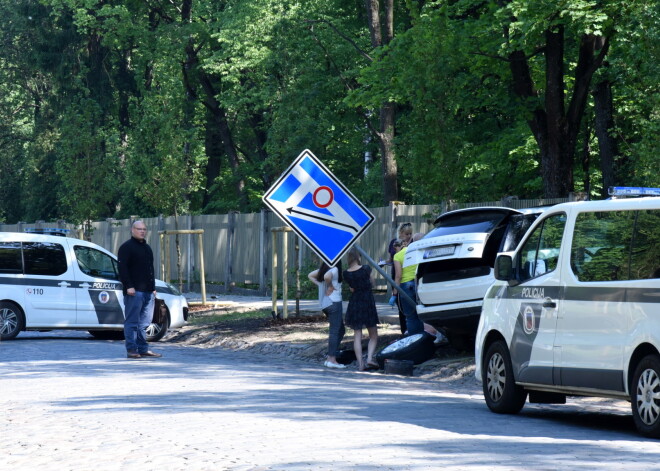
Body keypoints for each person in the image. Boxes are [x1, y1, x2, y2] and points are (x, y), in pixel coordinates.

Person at [117, 220, 162, 359]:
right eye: (139, 229)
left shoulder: (147, 248)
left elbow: (150, 269)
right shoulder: (126, 247)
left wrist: (153, 288)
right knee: (132, 322)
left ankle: (143, 348)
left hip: (148, 292)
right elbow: (122, 269)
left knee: (144, 323)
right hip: (134, 292)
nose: (142, 231)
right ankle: (131, 349)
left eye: (144, 229)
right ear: (132, 230)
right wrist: (128, 286)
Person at [393, 233, 448, 344]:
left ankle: (415, 343)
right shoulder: (416, 252)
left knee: (410, 317)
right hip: (418, 283)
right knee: (423, 313)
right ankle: (433, 336)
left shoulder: (397, 256)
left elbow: (398, 275)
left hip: (406, 286)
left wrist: (394, 293)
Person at [343, 247, 379, 371]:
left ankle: (360, 364)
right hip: (367, 301)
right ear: (359, 257)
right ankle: (369, 358)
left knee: (357, 334)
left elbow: (352, 288)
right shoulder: (366, 269)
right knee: (373, 334)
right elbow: (372, 283)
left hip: (354, 302)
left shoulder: (346, 273)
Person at [307, 261, 345, 369]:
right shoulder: (335, 269)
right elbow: (327, 277)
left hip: (326, 304)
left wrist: (321, 284)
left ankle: (330, 356)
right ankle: (332, 359)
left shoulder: (325, 269)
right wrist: (330, 286)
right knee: (335, 331)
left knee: (341, 330)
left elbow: (310, 275)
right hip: (334, 303)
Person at [386, 223, 413, 333]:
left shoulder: (412, 243)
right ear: (400, 233)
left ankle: (411, 330)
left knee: (409, 306)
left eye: (410, 233)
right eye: (407, 233)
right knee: (400, 305)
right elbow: (390, 259)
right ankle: (404, 330)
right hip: (396, 273)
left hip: (407, 277)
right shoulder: (393, 242)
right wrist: (384, 262)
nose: (409, 235)